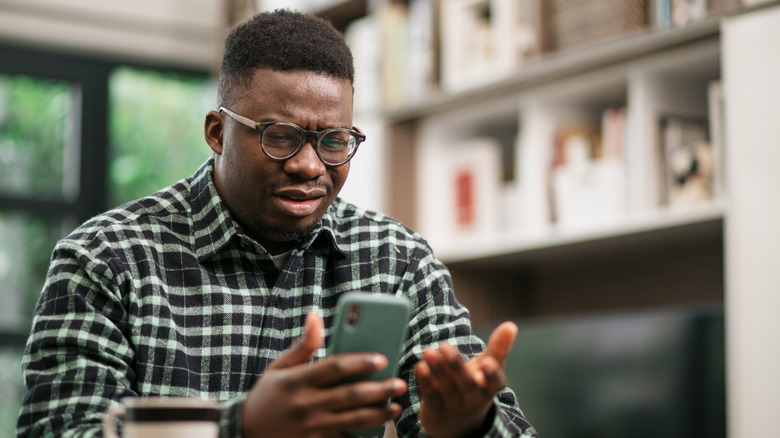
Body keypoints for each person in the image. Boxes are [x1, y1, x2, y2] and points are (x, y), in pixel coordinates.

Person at [17, 9, 538, 438]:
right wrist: (239, 427)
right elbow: (60, 430)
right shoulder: (104, 260)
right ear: (218, 132)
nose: (310, 166)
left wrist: (471, 425)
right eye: (280, 135)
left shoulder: (397, 261)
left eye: (334, 141)